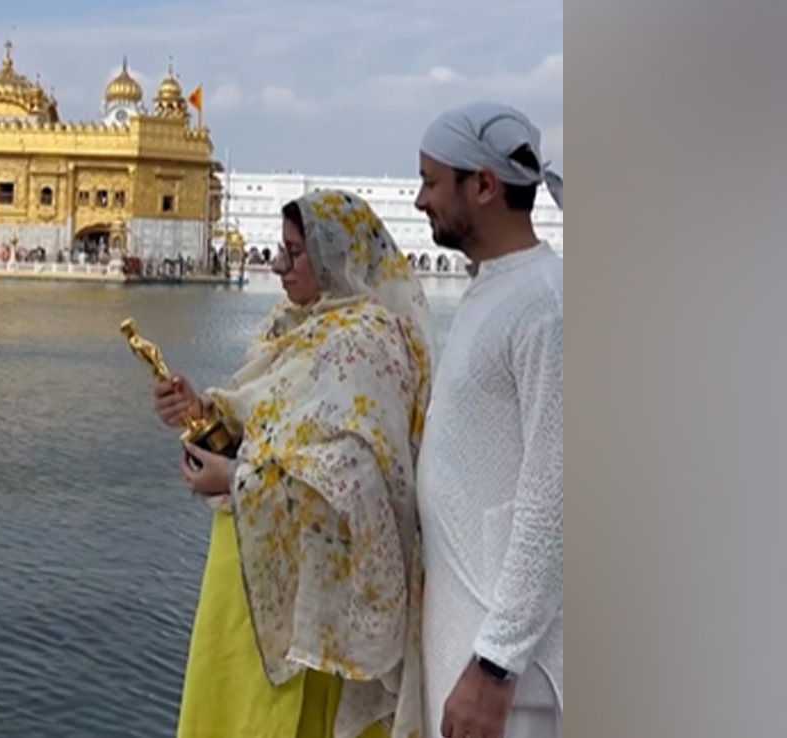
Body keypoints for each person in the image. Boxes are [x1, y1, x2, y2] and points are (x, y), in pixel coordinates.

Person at [151, 190, 434, 738]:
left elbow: (359, 484)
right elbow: (268, 425)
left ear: (334, 256)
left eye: (294, 252)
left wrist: (235, 479)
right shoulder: (293, 325)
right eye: (280, 250)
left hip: (319, 596)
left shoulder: (368, 343)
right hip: (251, 573)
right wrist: (200, 412)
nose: (279, 266)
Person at [411, 102, 564, 738]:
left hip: (510, 688)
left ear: (483, 185)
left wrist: (495, 665)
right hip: (472, 662)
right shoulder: (500, 288)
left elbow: (556, 498)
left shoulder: (547, 305)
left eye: (429, 180)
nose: (420, 200)